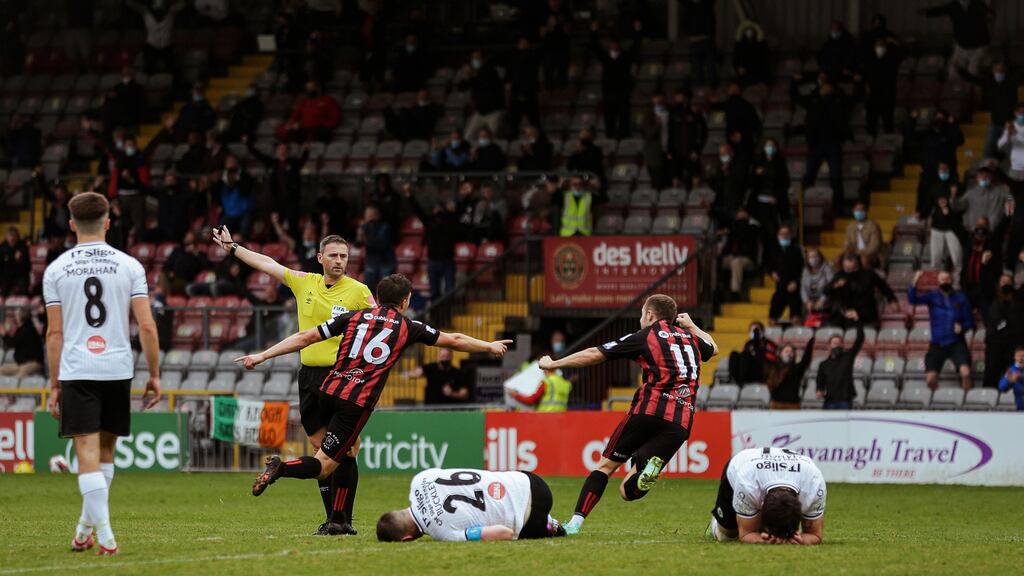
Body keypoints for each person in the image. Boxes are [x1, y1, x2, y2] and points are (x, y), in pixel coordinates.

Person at [240, 274, 512, 498]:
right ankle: (282, 468)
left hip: (326, 389)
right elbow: (454, 340)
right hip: (354, 401)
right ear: (405, 301)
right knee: (324, 465)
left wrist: (263, 356)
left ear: (377, 298)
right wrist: (488, 345)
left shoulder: (353, 316)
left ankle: (338, 521)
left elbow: (306, 336)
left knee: (347, 450)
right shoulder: (408, 326)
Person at [211, 225, 372, 536]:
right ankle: (332, 520)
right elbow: (267, 264)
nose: (339, 261)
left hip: (341, 377)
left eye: (344, 256)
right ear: (320, 257)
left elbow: (382, 325)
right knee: (319, 450)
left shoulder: (359, 291)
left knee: (347, 450)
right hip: (309, 377)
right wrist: (233, 248)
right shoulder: (304, 282)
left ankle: (342, 519)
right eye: (334, 255)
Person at [43, 192, 161, 555]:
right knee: (105, 455)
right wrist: (154, 374)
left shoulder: (56, 269)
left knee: (87, 456)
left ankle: (106, 538)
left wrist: (54, 384)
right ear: (108, 222)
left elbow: (54, 333)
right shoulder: (130, 266)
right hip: (117, 368)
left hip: (78, 369)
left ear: (72, 224)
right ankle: (84, 531)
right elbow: (147, 326)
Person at [538, 301, 717, 535]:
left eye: (642, 314)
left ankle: (574, 524)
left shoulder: (645, 336)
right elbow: (712, 348)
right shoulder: (692, 339)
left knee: (606, 467)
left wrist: (554, 363)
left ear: (650, 314)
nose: (641, 318)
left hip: (648, 410)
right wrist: (693, 325)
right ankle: (646, 472)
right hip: (681, 422)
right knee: (627, 490)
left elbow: (594, 354)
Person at [376, 467, 566, 541]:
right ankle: (546, 521)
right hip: (531, 481)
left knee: (521, 528)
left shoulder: (443, 534)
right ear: (398, 511)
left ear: (406, 539)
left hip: (530, 518)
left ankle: (548, 525)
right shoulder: (420, 479)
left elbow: (503, 534)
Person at [707, 447, 825, 545]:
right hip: (740, 465)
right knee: (726, 536)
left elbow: (815, 534)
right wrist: (768, 540)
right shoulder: (747, 484)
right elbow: (746, 534)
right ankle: (716, 523)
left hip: (765, 474)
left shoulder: (814, 484)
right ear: (761, 505)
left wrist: (799, 540)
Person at [909, 270, 974, 391]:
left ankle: (968, 400)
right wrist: (916, 279)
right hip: (937, 343)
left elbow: (970, 322)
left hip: (957, 342)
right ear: (938, 282)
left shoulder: (961, 298)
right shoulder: (932, 296)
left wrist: (963, 327)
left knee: (966, 373)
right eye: (942, 279)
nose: (945, 282)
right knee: (931, 378)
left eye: (947, 279)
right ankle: (934, 403)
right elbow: (912, 299)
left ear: (952, 280)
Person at [793, 73, 850, 209]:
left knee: (835, 176)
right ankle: (803, 207)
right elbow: (797, 98)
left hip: (832, 143)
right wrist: (794, 83)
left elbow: (847, 101)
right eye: (822, 86)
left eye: (827, 86)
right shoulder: (814, 101)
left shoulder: (837, 100)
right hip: (815, 144)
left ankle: (838, 207)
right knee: (809, 176)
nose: (824, 88)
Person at [403, 184, 458, 302]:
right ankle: (436, 316)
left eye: (440, 209)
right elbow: (418, 211)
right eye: (436, 209)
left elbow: (457, 214)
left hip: (448, 261)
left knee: (449, 290)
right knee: (434, 292)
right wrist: (409, 196)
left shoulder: (450, 222)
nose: (437, 212)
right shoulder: (429, 222)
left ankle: (448, 314)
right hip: (433, 261)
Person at [590, 20, 642, 139]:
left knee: (624, 118)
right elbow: (595, 46)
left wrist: (637, 31)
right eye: (612, 43)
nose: (614, 45)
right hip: (608, 93)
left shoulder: (626, 57)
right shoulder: (605, 57)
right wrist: (593, 30)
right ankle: (610, 139)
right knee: (609, 118)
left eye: (616, 43)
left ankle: (623, 138)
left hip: (623, 93)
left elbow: (636, 47)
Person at [245, 138, 310, 234]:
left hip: (292, 202)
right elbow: (259, 156)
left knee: (293, 226)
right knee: (275, 226)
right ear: (277, 151)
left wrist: (306, 150)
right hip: (276, 202)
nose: (282, 151)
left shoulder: (293, 163)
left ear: (288, 151)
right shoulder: (272, 163)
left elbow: (303, 160)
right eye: (280, 149)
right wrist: (247, 144)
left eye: (284, 149)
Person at [920, 0, 992, 80]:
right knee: (953, 71)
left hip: (978, 47)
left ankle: (973, 89)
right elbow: (940, 10)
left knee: (972, 70)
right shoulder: (954, 6)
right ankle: (955, 89)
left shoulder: (978, 4)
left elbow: (987, 14)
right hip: (962, 46)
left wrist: (987, 16)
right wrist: (926, 12)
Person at [960, 62, 1018, 158]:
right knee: (987, 150)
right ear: (993, 71)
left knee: (1010, 152)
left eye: (1001, 70)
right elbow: (973, 79)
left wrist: (1012, 121)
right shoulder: (989, 83)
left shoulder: (1011, 84)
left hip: (1009, 123)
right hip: (995, 122)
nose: (999, 73)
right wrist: (960, 69)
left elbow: (1014, 103)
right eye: (997, 70)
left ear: (1005, 71)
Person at [824, 254, 898, 328]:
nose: (850, 272)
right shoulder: (840, 275)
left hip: (866, 312)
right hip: (846, 313)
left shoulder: (868, 274)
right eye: (847, 269)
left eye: (853, 268)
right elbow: (826, 291)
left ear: (858, 265)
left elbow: (884, 287)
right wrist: (835, 286)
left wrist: (892, 300)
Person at [961, 215, 1007, 315]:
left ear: (988, 226)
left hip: (986, 289)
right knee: (965, 315)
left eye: (983, 224)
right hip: (969, 287)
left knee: (989, 317)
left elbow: (1000, 230)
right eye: (978, 224)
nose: (980, 227)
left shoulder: (993, 242)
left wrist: (1007, 216)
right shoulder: (969, 241)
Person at [985, 274, 1024, 389]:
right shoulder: (992, 300)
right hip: (995, 343)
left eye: (1008, 282)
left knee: (1014, 372)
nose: (1006, 284)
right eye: (1003, 282)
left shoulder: (1019, 301)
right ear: (998, 285)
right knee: (991, 372)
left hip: (1013, 344)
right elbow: (999, 323)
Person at [748, 138, 790, 241]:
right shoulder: (758, 162)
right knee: (762, 227)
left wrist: (776, 196)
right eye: (768, 145)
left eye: (772, 146)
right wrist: (756, 174)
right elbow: (751, 183)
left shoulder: (780, 163)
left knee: (775, 226)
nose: (769, 148)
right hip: (760, 201)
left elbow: (786, 182)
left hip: (776, 200)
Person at [127, 0, 185, 75]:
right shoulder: (146, 11)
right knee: (147, 70)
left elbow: (183, 4)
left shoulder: (171, 11)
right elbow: (130, 3)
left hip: (167, 45)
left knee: (174, 70)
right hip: (151, 45)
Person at [459, 50, 505, 141]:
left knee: (491, 137)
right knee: (468, 137)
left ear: (482, 59)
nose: (475, 60)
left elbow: (487, 84)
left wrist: (473, 74)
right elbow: (461, 88)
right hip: (480, 112)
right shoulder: (472, 73)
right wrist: (466, 77)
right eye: (474, 58)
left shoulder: (489, 69)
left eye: (478, 58)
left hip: (494, 111)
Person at [710, 82, 761, 163]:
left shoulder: (747, 106)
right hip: (731, 141)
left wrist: (742, 134)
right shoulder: (728, 104)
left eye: (735, 89)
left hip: (745, 142)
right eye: (731, 89)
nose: (733, 91)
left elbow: (755, 125)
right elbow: (715, 108)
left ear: (739, 91)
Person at [862, 36, 903, 136]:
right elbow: (866, 75)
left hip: (887, 93)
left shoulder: (891, 58)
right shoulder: (870, 59)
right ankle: (871, 141)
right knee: (871, 121)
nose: (879, 47)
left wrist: (894, 41)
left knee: (888, 121)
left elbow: (903, 52)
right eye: (878, 45)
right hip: (873, 94)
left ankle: (888, 141)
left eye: (882, 45)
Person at [816, 325, 864, 409]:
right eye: (834, 343)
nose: (836, 346)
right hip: (829, 401)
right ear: (829, 346)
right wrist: (819, 390)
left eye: (838, 344)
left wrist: (857, 322)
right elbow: (820, 381)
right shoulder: (823, 364)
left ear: (842, 345)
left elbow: (859, 340)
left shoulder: (848, 357)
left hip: (844, 401)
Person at [503, 36, 542, 140]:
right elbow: (508, 80)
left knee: (535, 123)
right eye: (521, 43)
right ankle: (511, 143)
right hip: (516, 96)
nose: (524, 45)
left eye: (526, 43)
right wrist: (508, 96)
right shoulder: (512, 60)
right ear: (518, 45)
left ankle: (538, 142)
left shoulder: (533, 57)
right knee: (513, 124)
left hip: (530, 96)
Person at [719, 208, 761, 301]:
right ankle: (719, 290)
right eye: (739, 214)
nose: (740, 216)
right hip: (733, 256)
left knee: (736, 262)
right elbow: (728, 247)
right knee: (719, 262)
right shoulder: (733, 229)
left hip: (747, 259)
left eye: (743, 214)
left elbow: (743, 234)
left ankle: (735, 293)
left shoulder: (752, 227)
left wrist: (735, 227)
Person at [668, 90, 708, 187]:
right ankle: (675, 201)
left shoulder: (695, 112)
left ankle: (695, 200)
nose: (677, 98)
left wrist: (698, 150)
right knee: (675, 178)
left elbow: (704, 132)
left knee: (695, 178)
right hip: (677, 152)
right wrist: (670, 150)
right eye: (676, 96)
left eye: (679, 96)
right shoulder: (673, 113)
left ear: (686, 98)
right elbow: (670, 133)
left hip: (692, 152)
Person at [767, 225, 805, 325]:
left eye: (786, 234)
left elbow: (802, 269)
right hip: (780, 287)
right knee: (772, 319)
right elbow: (768, 266)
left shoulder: (797, 250)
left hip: (794, 287)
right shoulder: (773, 250)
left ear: (790, 235)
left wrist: (796, 282)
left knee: (796, 318)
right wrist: (772, 273)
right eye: (782, 234)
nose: (784, 236)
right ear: (778, 235)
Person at [405, 349, 470, 405]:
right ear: (438, 357)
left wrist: (452, 394)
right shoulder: (430, 368)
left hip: (450, 410)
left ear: (451, 357)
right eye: (442, 356)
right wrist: (412, 374)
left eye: (447, 356)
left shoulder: (457, 373)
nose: (444, 359)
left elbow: (464, 394)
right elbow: (416, 372)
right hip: (431, 409)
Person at [954, 167, 1010, 231]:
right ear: (977, 178)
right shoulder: (971, 193)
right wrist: (953, 197)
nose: (983, 178)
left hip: (993, 230)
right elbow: (958, 206)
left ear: (990, 177)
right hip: (974, 230)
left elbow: (1011, 202)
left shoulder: (999, 192)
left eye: (986, 176)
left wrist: (1009, 192)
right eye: (981, 176)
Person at [213, 155, 256, 237]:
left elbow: (246, 191)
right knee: (220, 233)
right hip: (229, 213)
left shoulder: (245, 176)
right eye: (228, 162)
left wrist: (237, 180)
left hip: (244, 212)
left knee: (244, 233)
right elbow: (216, 194)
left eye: (232, 161)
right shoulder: (222, 179)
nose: (230, 164)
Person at [710, 143, 751, 226]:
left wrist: (728, 172)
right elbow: (716, 186)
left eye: (725, 153)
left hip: (736, 205)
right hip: (722, 205)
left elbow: (742, 183)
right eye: (721, 154)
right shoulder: (719, 167)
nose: (723, 156)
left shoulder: (740, 165)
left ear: (731, 153)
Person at [766, 339, 814, 410]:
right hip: (776, 404)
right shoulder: (774, 367)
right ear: (780, 353)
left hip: (793, 405)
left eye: (791, 352)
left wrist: (810, 344)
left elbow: (806, 359)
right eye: (786, 351)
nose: (789, 353)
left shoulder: (797, 368)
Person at [357, 206, 396, 293]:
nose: (367, 218)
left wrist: (365, 237)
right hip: (371, 263)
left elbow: (380, 245)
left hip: (385, 263)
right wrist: (359, 233)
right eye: (366, 215)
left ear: (376, 216)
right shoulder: (365, 227)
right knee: (366, 290)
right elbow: (358, 244)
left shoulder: (385, 227)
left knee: (385, 290)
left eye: (369, 215)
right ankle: (370, 306)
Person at [729, 321, 777, 386]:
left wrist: (757, 350)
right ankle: (733, 379)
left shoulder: (768, 343)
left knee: (746, 356)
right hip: (747, 370)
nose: (754, 332)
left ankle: (740, 381)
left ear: (762, 331)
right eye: (752, 330)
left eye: (756, 330)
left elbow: (771, 359)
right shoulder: (748, 343)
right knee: (734, 354)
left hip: (761, 369)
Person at [929, 193, 965, 277]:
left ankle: (959, 272)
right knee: (936, 254)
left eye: (944, 200)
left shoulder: (954, 205)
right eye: (940, 200)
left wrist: (947, 211)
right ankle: (935, 273)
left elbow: (959, 215)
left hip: (952, 229)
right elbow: (932, 219)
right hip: (937, 230)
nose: (942, 201)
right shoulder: (935, 208)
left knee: (956, 254)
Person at [641, 94, 672, 190]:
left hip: (668, 151)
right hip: (654, 154)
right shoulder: (648, 118)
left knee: (668, 181)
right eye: (656, 104)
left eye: (660, 103)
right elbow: (648, 135)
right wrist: (657, 125)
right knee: (657, 182)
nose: (659, 106)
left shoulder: (669, 115)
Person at [683, 0, 717, 86]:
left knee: (711, 69)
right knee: (697, 69)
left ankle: (712, 89)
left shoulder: (707, 4)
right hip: (694, 41)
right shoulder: (688, 5)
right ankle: (700, 89)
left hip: (707, 40)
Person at [0, 309, 43, 377]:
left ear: (20, 317)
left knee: (21, 373)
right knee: (1, 369)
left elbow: (12, 343)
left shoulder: (28, 330)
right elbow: (14, 341)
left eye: (16, 315)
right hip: (21, 363)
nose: (15, 317)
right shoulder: (21, 329)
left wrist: (4, 334)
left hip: (34, 363)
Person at [844, 201, 883, 268]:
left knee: (864, 259)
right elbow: (847, 244)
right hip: (854, 253)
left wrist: (858, 252)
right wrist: (848, 252)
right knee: (838, 260)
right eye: (857, 210)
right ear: (853, 211)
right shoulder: (850, 227)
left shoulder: (873, 226)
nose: (859, 212)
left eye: (862, 210)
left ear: (866, 212)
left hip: (871, 254)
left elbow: (874, 247)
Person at [801, 248, 834, 324]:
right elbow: (803, 289)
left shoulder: (827, 268)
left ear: (820, 257)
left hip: (826, 299)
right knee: (804, 309)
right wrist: (807, 302)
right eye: (810, 257)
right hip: (811, 300)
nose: (813, 259)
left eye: (815, 256)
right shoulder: (805, 270)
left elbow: (831, 286)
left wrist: (822, 300)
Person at [732, 22, 770, 87]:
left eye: (751, 30)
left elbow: (764, 57)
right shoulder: (740, 44)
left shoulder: (759, 43)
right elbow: (736, 58)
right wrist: (738, 68)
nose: (749, 32)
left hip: (757, 69)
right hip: (745, 70)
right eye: (747, 30)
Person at [0, 227, 30, 296]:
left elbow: (27, 265)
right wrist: (12, 258)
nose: (12, 238)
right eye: (10, 235)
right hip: (6, 275)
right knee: (4, 284)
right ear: (6, 237)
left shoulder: (22, 246)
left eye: (14, 235)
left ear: (17, 237)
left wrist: (19, 260)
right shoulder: (2, 247)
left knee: (23, 284)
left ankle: (25, 302)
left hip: (20, 274)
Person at [997, 106, 1024, 173]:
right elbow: (1000, 145)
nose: (1022, 115)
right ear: (1015, 113)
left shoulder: (1013, 129)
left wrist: (1015, 133)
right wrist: (1008, 135)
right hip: (1015, 167)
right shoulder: (1011, 125)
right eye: (1020, 113)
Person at [997, 346, 1024, 411]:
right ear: (1014, 357)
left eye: (1023, 356)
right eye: (1018, 356)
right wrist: (1008, 381)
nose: (1020, 358)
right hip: (1019, 410)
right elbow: (1001, 388)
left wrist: (1020, 377)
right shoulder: (1011, 370)